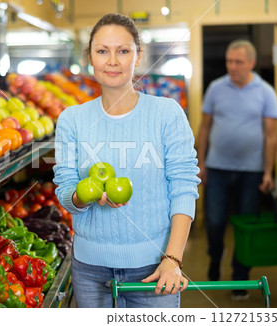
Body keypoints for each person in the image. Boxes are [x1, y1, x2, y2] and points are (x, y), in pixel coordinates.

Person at [52, 13, 200, 308]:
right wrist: (84, 195)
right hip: (89, 272)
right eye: (102, 51)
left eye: (123, 51)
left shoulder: (166, 114)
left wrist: (172, 258)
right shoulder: (72, 120)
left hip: (155, 269)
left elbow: (184, 187)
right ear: (90, 58)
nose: (113, 61)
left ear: (138, 56)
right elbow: (65, 190)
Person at [197, 39, 277, 301]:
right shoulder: (215, 88)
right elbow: (205, 128)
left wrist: (268, 172)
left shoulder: (266, 92)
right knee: (215, 221)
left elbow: (271, 136)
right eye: (229, 61)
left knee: (246, 226)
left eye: (238, 62)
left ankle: (240, 278)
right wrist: (201, 163)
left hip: (251, 171)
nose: (232, 67)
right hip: (218, 168)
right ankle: (215, 255)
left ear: (252, 63)